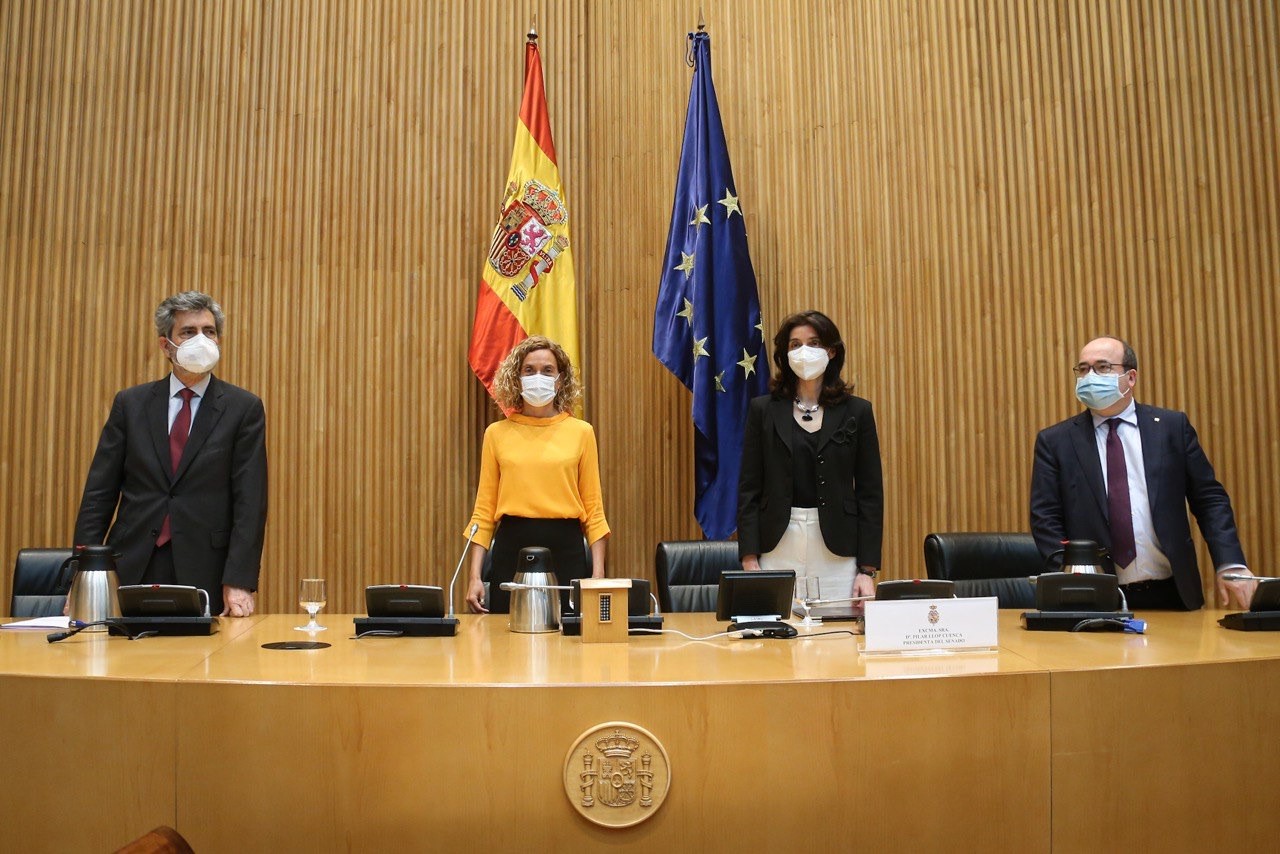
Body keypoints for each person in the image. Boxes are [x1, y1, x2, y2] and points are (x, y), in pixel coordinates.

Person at [73, 291, 268, 617]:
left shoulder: (242, 409)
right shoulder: (131, 404)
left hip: (206, 568)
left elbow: (251, 501)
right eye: (188, 332)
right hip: (132, 561)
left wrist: (239, 580)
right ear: (166, 345)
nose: (201, 340)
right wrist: (83, 575)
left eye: (209, 331)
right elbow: (99, 495)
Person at [1030, 336, 1254, 610]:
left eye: (1102, 367)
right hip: (1094, 596)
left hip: (1172, 594)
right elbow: (1045, 519)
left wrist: (1230, 563)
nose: (1090, 376)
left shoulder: (1171, 428)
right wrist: (1070, 579)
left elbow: (1210, 500)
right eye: (1083, 369)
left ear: (1131, 377)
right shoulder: (1056, 442)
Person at [737, 311, 883, 609]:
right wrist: (750, 559)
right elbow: (748, 490)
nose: (804, 351)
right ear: (785, 354)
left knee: (837, 642)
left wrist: (867, 570)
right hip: (778, 544)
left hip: (836, 551)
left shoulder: (857, 412)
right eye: (795, 344)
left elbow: (870, 495)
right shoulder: (763, 411)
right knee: (776, 642)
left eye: (814, 342)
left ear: (831, 351)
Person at [464, 336, 609, 614]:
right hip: (511, 549)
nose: (537, 377)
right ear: (516, 378)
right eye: (529, 370)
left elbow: (594, 512)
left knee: (568, 648)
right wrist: (475, 577)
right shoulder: (496, 434)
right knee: (507, 647)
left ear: (560, 378)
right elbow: (483, 512)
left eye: (547, 370)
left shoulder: (581, 432)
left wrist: (598, 576)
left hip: (566, 549)